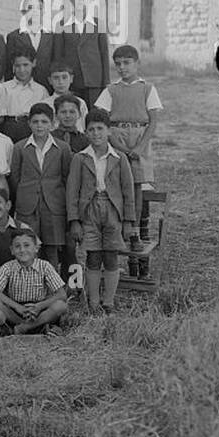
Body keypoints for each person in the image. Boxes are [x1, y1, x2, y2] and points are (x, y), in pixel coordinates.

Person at [95, 44, 163, 261]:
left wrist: (140, 148)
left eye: (127, 63)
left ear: (137, 63)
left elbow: (153, 122)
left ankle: (136, 231)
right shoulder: (111, 89)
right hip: (116, 138)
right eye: (118, 64)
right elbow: (103, 121)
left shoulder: (147, 88)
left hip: (139, 139)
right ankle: (118, 230)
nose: (122, 68)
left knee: (137, 185)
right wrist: (120, 147)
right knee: (117, 183)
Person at [66, 108, 136, 313]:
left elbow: (128, 191)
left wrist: (128, 221)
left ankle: (109, 302)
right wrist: (75, 220)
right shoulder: (80, 158)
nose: (96, 133)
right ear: (86, 133)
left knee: (111, 256)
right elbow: (72, 191)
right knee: (93, 256)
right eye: (91, 130)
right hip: (89, 210)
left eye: (100, 129)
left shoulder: (119, 158)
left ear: (109, 131)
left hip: (112, 210)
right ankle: (94, 302)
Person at [9, 103, 72, 269]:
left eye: (44, 122)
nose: (39, 126)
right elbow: (15, 178)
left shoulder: (62, 148)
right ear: (29, 123)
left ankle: (53, 286)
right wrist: (23, 197)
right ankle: (29, 286)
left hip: (53, 205)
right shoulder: (20, 148)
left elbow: (66, 178)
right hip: (28, 206)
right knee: (28, 246)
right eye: (35, 121)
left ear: (52, 124)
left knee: (51, 249)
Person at [0, 229, 71, 335]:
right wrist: (17, 307)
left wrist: (39, 306)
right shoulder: (8, 267)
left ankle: (26, 327)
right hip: (15, 310)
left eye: (27, 245)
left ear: (36, 248)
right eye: (17, 246)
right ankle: (28, 326)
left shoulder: (44, 266)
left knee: (60, 305)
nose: (22, 250)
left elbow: (62, 294)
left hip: (39, 309)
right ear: (12, 250)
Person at [7, 0, 57, 92]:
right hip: (21, 86)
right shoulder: (14, 36)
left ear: (43, 11)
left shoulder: (52, 37)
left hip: (46, 85)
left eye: (38, 8)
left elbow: (55, 61)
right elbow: (9, 65)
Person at [0, 51, 50, 143]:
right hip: (8, 128)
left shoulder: (41, 90)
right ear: (13, 66)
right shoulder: (3, 88)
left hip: (32, 129)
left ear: (33, 63)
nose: (22, 70)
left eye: (26, 65)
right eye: (18, 66)